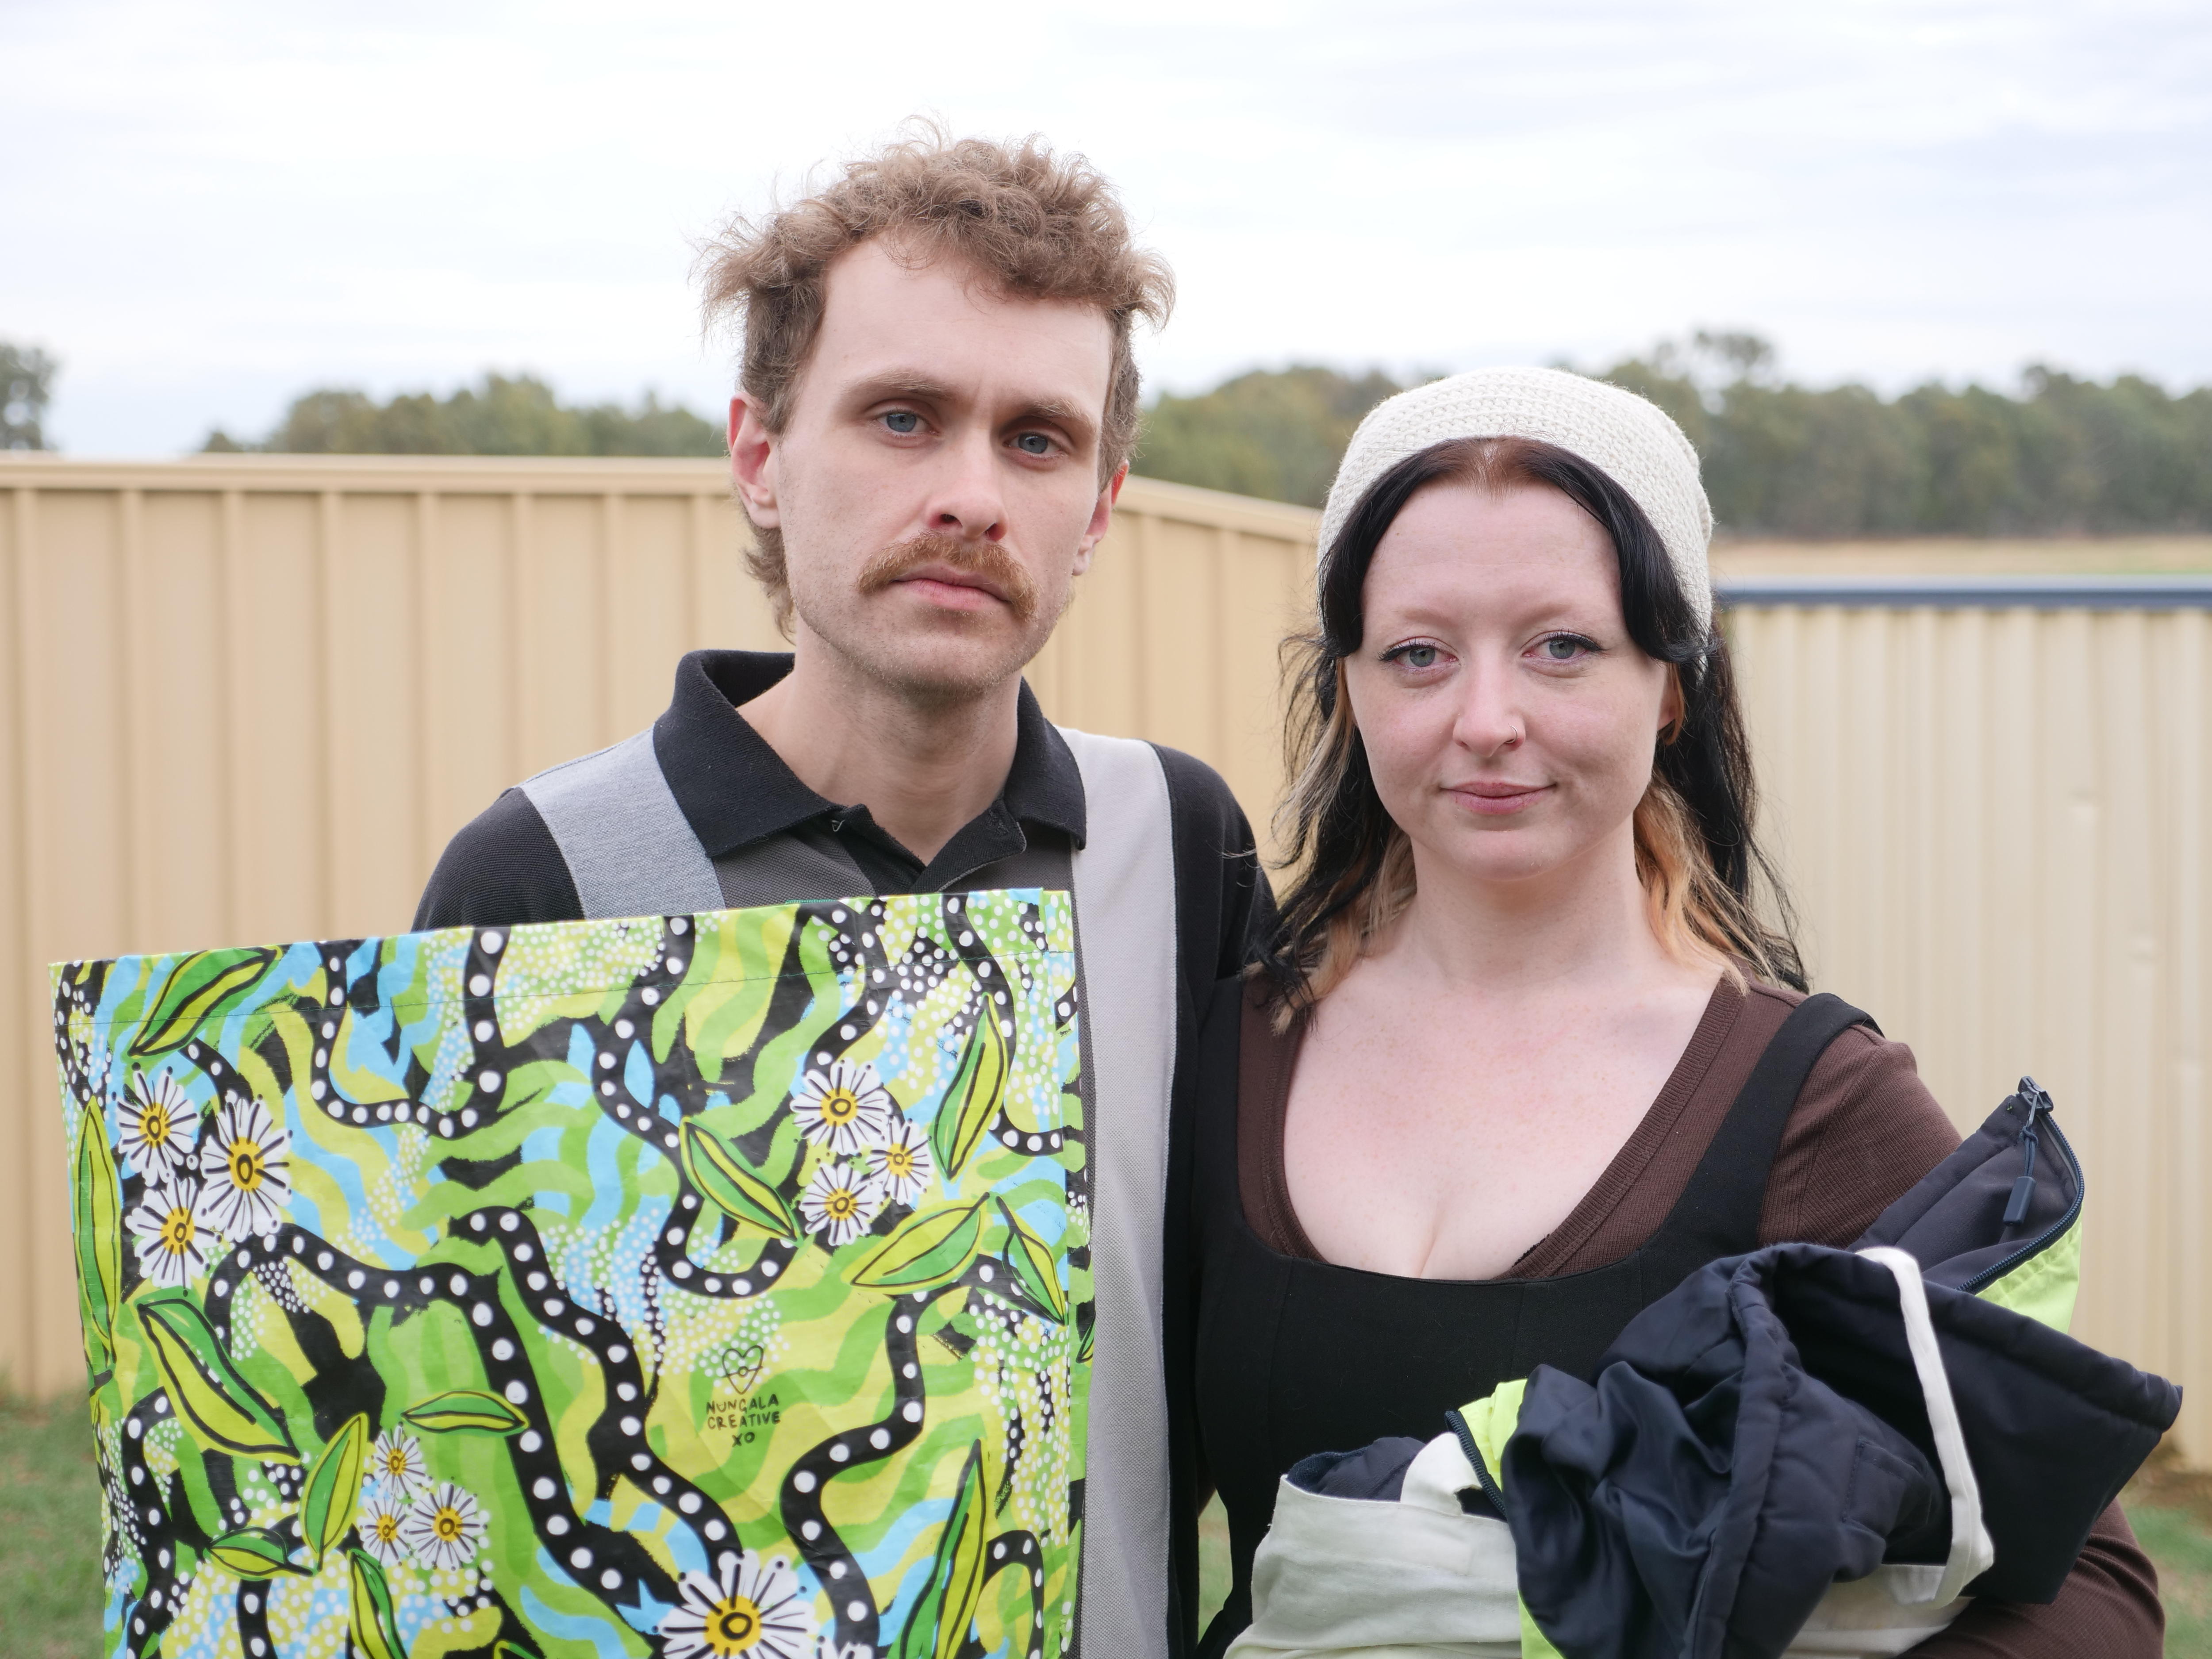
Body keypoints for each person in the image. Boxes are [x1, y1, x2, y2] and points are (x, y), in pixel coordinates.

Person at [418, 127, 1271, 1659]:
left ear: (1102, 503)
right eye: (902, 417)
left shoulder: (1181, 843)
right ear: (759, 455)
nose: (972, 493)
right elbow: (460, 1444)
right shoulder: (544, 873)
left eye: (1037, 438)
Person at [1164, 368, 2161, 1657]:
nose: (1486, 719)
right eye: (1417, 653)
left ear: (1673, 682)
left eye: (1562, 646)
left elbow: (2089, 1585)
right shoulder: (1224, 1050)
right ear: (1349, 686)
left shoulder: (1809, 1099)